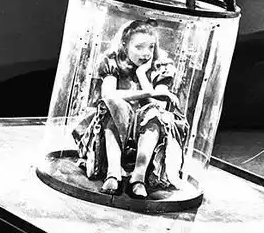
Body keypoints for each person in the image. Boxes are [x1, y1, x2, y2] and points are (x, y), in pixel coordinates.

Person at [72, 19, 188, 199]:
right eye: (139, 47)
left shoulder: (161, 65)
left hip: (149, 131)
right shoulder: (113, 62)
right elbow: (109, 96)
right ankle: (113, 174)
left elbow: (160, 105)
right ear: (125, 45)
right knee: (115, 106)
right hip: (114, 126)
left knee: (154, 114)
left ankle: (138, 178)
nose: (146, 53)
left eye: (150, 47)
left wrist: (142, 75)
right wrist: (147, 92)